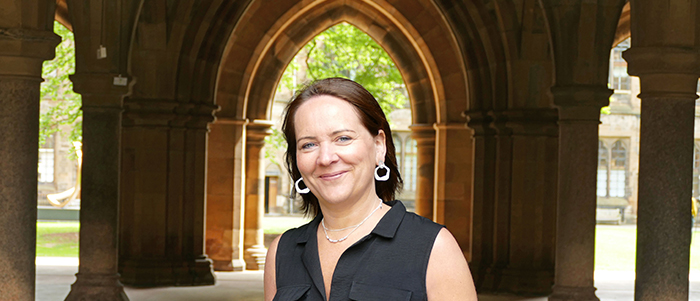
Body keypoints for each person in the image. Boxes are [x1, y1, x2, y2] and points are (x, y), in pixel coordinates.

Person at [264, 77, 477, 301]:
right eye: (308, 144)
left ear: (379, 146)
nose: (325, 158)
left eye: (343, 138)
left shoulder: (434, 247)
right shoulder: (282, 253)